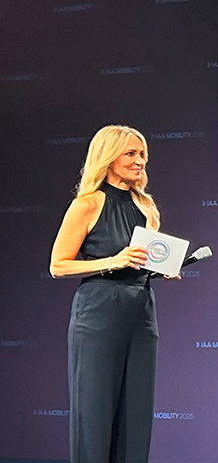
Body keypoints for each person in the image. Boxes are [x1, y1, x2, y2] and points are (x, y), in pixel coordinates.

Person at [49, 125, 165, 462]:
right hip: (99, 312)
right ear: (108, 157)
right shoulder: (88, 204)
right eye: (130, 153)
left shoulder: (147, 207)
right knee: (94, 415)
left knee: (136, 415)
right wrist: (112, 261)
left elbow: (145, 259)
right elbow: (58, 265)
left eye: (142, 154)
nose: (139, 161)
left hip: (141, 313)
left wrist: (163, 269)